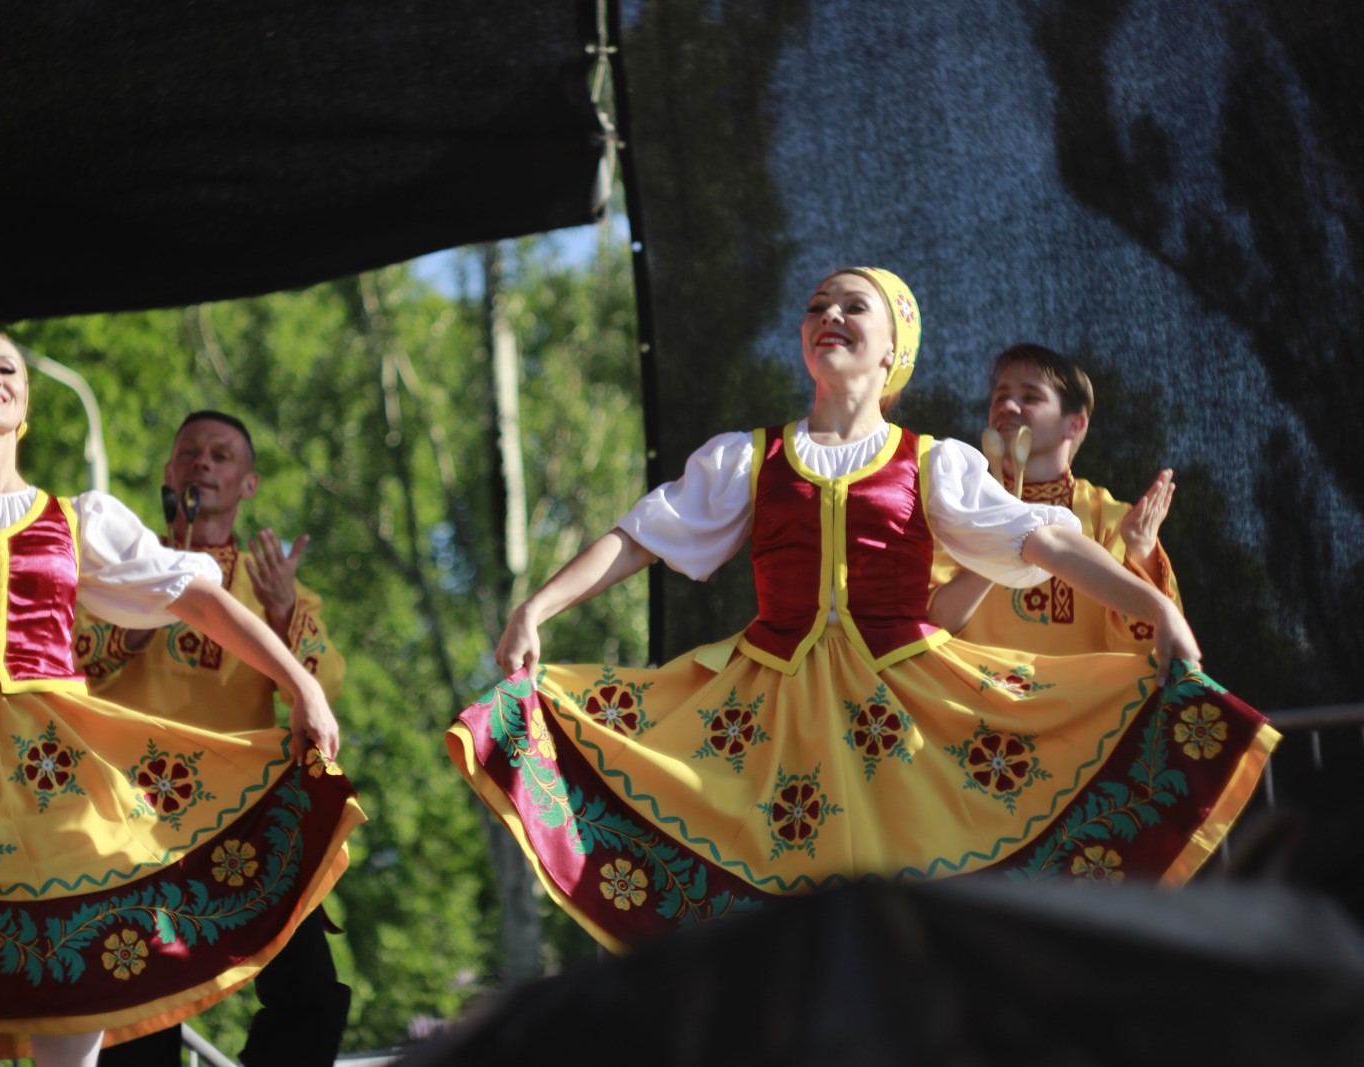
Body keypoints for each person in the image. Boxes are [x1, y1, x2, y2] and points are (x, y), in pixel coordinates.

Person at [447, 268, 1278, 952]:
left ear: (893, 351)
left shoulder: (933, 462)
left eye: (854, 306)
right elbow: (641, 535)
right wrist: (538, 606)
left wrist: (1153, 607)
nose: (829, 315)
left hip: (907, 713)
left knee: (919, 929)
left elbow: (1043, 542)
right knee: (787, 941)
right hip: (769, 714)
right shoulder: (748, 457)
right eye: (816, 306)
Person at [0, 331, 366, 1066]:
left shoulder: (79, 518)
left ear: (25, 406)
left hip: (55, 777)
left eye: (6, 367)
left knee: (73, 997)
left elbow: (201, 600)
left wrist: (302, 682)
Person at [76, 411, 351, 1067]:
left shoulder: (277, 587)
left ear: (248, 482)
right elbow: (74, 666)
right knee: (137, 998)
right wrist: (146, 597)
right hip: (134, 816)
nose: (204, 463)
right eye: (191, 452)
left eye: (222, 455)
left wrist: (283, 613)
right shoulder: (117, 568)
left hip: (243, 814)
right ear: (170, 472)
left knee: (309, 992)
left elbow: (321, 688)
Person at [928, 343, 1182, 652]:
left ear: (1074, 424)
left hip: (1081, 697)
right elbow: (931, 624)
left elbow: (1142, 653)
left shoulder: (1110, 518)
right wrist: (1001, 537)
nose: (1007, 406)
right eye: (1000, 396)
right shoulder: (960, 502)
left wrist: (1141, 553)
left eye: (1030, 397)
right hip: (975, 694)